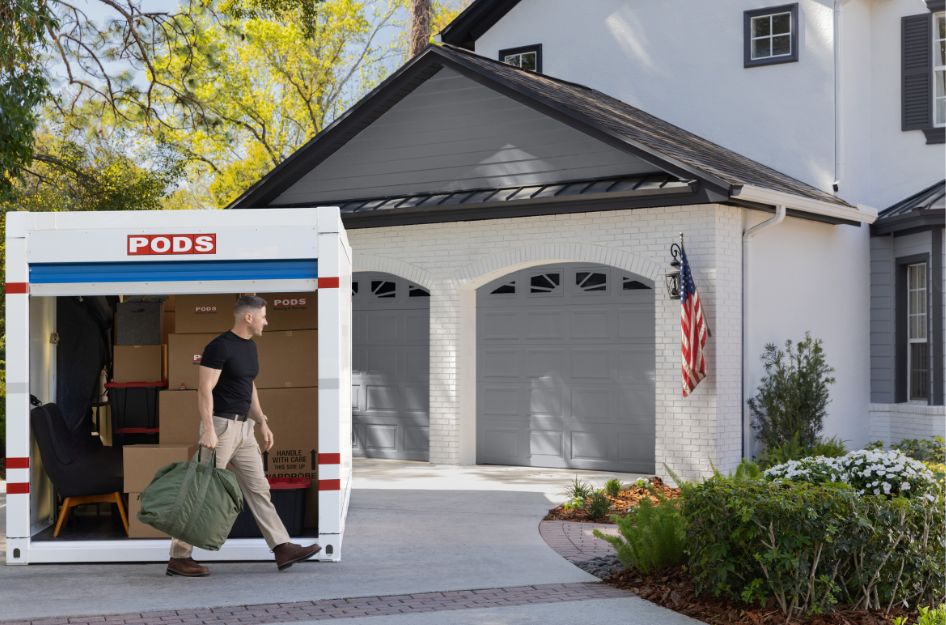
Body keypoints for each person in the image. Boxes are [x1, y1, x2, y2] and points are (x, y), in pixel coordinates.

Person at [166, 295, 321, 576]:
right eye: (263, 315)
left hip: (245, 430)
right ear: (248, 317)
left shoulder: (249, 347)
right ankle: (179, 557)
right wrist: (209, 430)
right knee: (201, 492)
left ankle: (281, 547)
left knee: (259, 488)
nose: (266, 321)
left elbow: (249, 386)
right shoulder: (218, 347)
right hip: (221, 429)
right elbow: (204, 390)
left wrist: (262, 421)